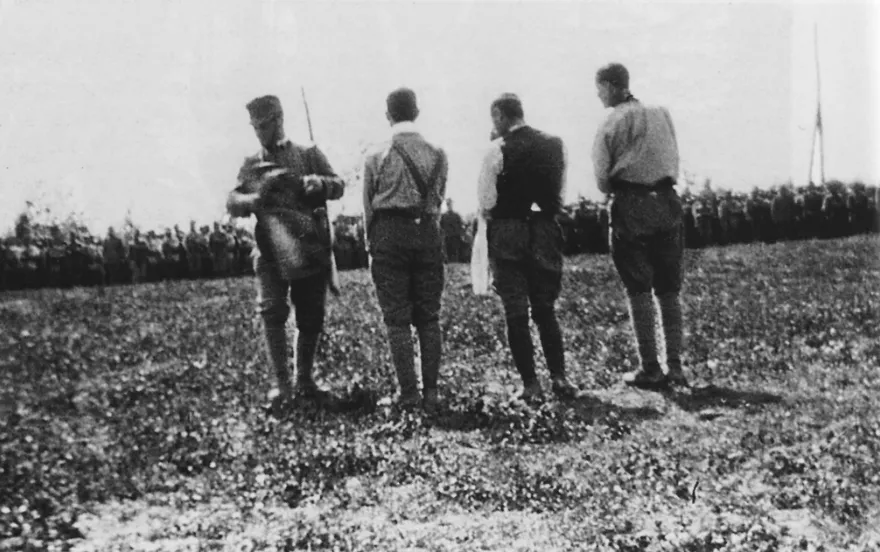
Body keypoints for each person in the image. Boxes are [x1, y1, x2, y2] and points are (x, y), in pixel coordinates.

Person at [226, 94, 345, 413]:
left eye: (265, 125)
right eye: (256, 127)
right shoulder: (251, 164)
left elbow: (339, 184)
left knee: (310, 317)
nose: (261, 133)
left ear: (279, 119)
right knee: (272, 311)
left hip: (309, 249)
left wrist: (318, 183)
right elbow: (232, 202)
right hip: (269, 253)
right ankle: (282, 386)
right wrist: (254, 200)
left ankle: (304, 380)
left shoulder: (308, 153)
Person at [591, 62, 689, 389]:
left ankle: (650, 367)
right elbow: (674, 154)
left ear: (611, 86)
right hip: (666, 199)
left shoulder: (610, 120)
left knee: (638, 287)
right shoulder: (661, 113)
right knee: (669, 287)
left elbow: (603, 180)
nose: (599, 95)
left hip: (631, 203)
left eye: (601, 88)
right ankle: (674, 365)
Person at [478, 93, 578, 401]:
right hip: (546, 228)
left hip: (509, 230)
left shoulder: (496, 149)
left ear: (498, 115)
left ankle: (531, 385)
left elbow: (486, 201)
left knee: (516, 311)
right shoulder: (555, 143)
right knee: (545, 309)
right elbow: (560, 190)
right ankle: (560, 378)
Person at [363, 88, 448, 410]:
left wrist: (371, 243)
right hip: (426, 232)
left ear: (388, 115)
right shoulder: (438, 152)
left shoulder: (375, 154)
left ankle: (408, 393)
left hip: (388, 234)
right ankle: (432, 393)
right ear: (417, 112)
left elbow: (368, 208)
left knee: (397, 319)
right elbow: (437, 199)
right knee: (429, 316)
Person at [440, 198, 464, 263]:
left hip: (455, 237)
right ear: (447, 205)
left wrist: (460, 235)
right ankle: (450, 268)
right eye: (448, 204)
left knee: (455, 253)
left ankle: (455, 267)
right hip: (447, 237)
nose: (449, 205)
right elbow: (441, 227)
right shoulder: (443, 216)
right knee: (448, 252)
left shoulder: (456, 215)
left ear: (452, 205)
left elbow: (460, 225)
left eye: (450, 204)